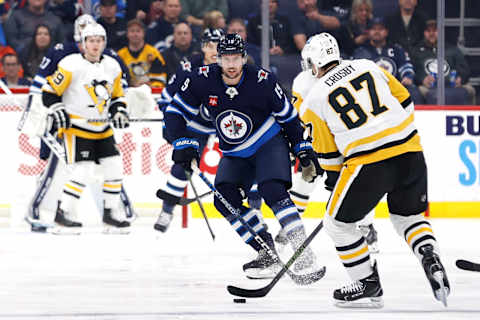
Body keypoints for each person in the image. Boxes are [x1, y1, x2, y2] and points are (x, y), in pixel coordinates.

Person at [300, 32, 450, 307]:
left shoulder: (314, 98)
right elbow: (405, 100)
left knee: (338, 224)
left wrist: (335, 182)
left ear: (313, 62)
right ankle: (430, 256)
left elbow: (330, 156)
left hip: (369, 162)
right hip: (410, 151)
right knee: (408, 218)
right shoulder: (368, 66)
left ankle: (367, 283)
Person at [163, 33, 323, 278]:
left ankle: (302, 251)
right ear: (218, 59)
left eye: (235, 58)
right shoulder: (201, 79)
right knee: (223, 199)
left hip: (268, 143)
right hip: (235, 152)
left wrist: (302, 148)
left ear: (243, 57)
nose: (231, 65)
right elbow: (175, 111)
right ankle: (266, 251)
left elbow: (289, 118)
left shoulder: (263, 80)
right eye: (225, 58)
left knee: (272, 190)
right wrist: (182, 142)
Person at [25, 15, 134, 232]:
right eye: (90, 40)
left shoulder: (112, 66)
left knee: (114, 168)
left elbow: (117, 96)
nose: (95, 44)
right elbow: (49, 91)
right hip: (77, 128)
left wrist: (119, 109)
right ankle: (63, 211)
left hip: (102, 128)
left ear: (104, 42)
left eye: (99, 40)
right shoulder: (70, 64)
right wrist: (57, 108)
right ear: (83, 43)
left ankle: (110, 213)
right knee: (82, 170)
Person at [277, 36, 379, 253]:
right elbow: (299, 116)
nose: (308, 66)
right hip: (319, 139)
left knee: (357, 185)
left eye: (310, 61)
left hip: (348, 139)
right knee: (305, 179)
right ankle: (290, 228)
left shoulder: (350, 72)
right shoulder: (303, 81)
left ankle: (365, 226)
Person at [154, 28, 222, 232]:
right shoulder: (189, 66)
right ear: (202, 47)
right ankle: (166, 210)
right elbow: (167, 98)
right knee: (183, 164)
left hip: (228, 125)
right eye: (210, 46)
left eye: (219, 46)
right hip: (196, 126)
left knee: (250, 160)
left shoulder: (233, 65)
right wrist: (171, 126)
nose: (215, 50)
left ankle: (255, 210)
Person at [352, 16, 424, 104]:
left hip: (394, 89)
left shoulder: (396, 49)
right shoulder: (360, 52)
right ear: (368, 32)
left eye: (380, 29)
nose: (377, 32)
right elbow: (354, 75)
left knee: (413, 92)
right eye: (374, 29)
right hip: (370, 91)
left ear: (386, 32)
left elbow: (405, 66)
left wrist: (407, 77)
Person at [410, 19, 475, 105]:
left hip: (452, 85)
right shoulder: (416, 51)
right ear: (424, 33)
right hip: (427, 87)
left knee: (471, 90)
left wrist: (460, 78)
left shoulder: (452, 49)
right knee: (417, 92)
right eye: (428, 31)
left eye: (435, 31)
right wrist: (422, 79)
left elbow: (465, 68)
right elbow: (412, 70)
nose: (431, 34)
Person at [118, 19, 168, 88]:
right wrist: (130, 85)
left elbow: (161, 76)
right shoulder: (120, 55)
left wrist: (151, 86)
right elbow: (118, 78)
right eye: (132, 31)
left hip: (151, 92)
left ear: (143, 33)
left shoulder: (153, 52)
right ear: (127, 34)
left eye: (138, 31)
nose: (135, 34)